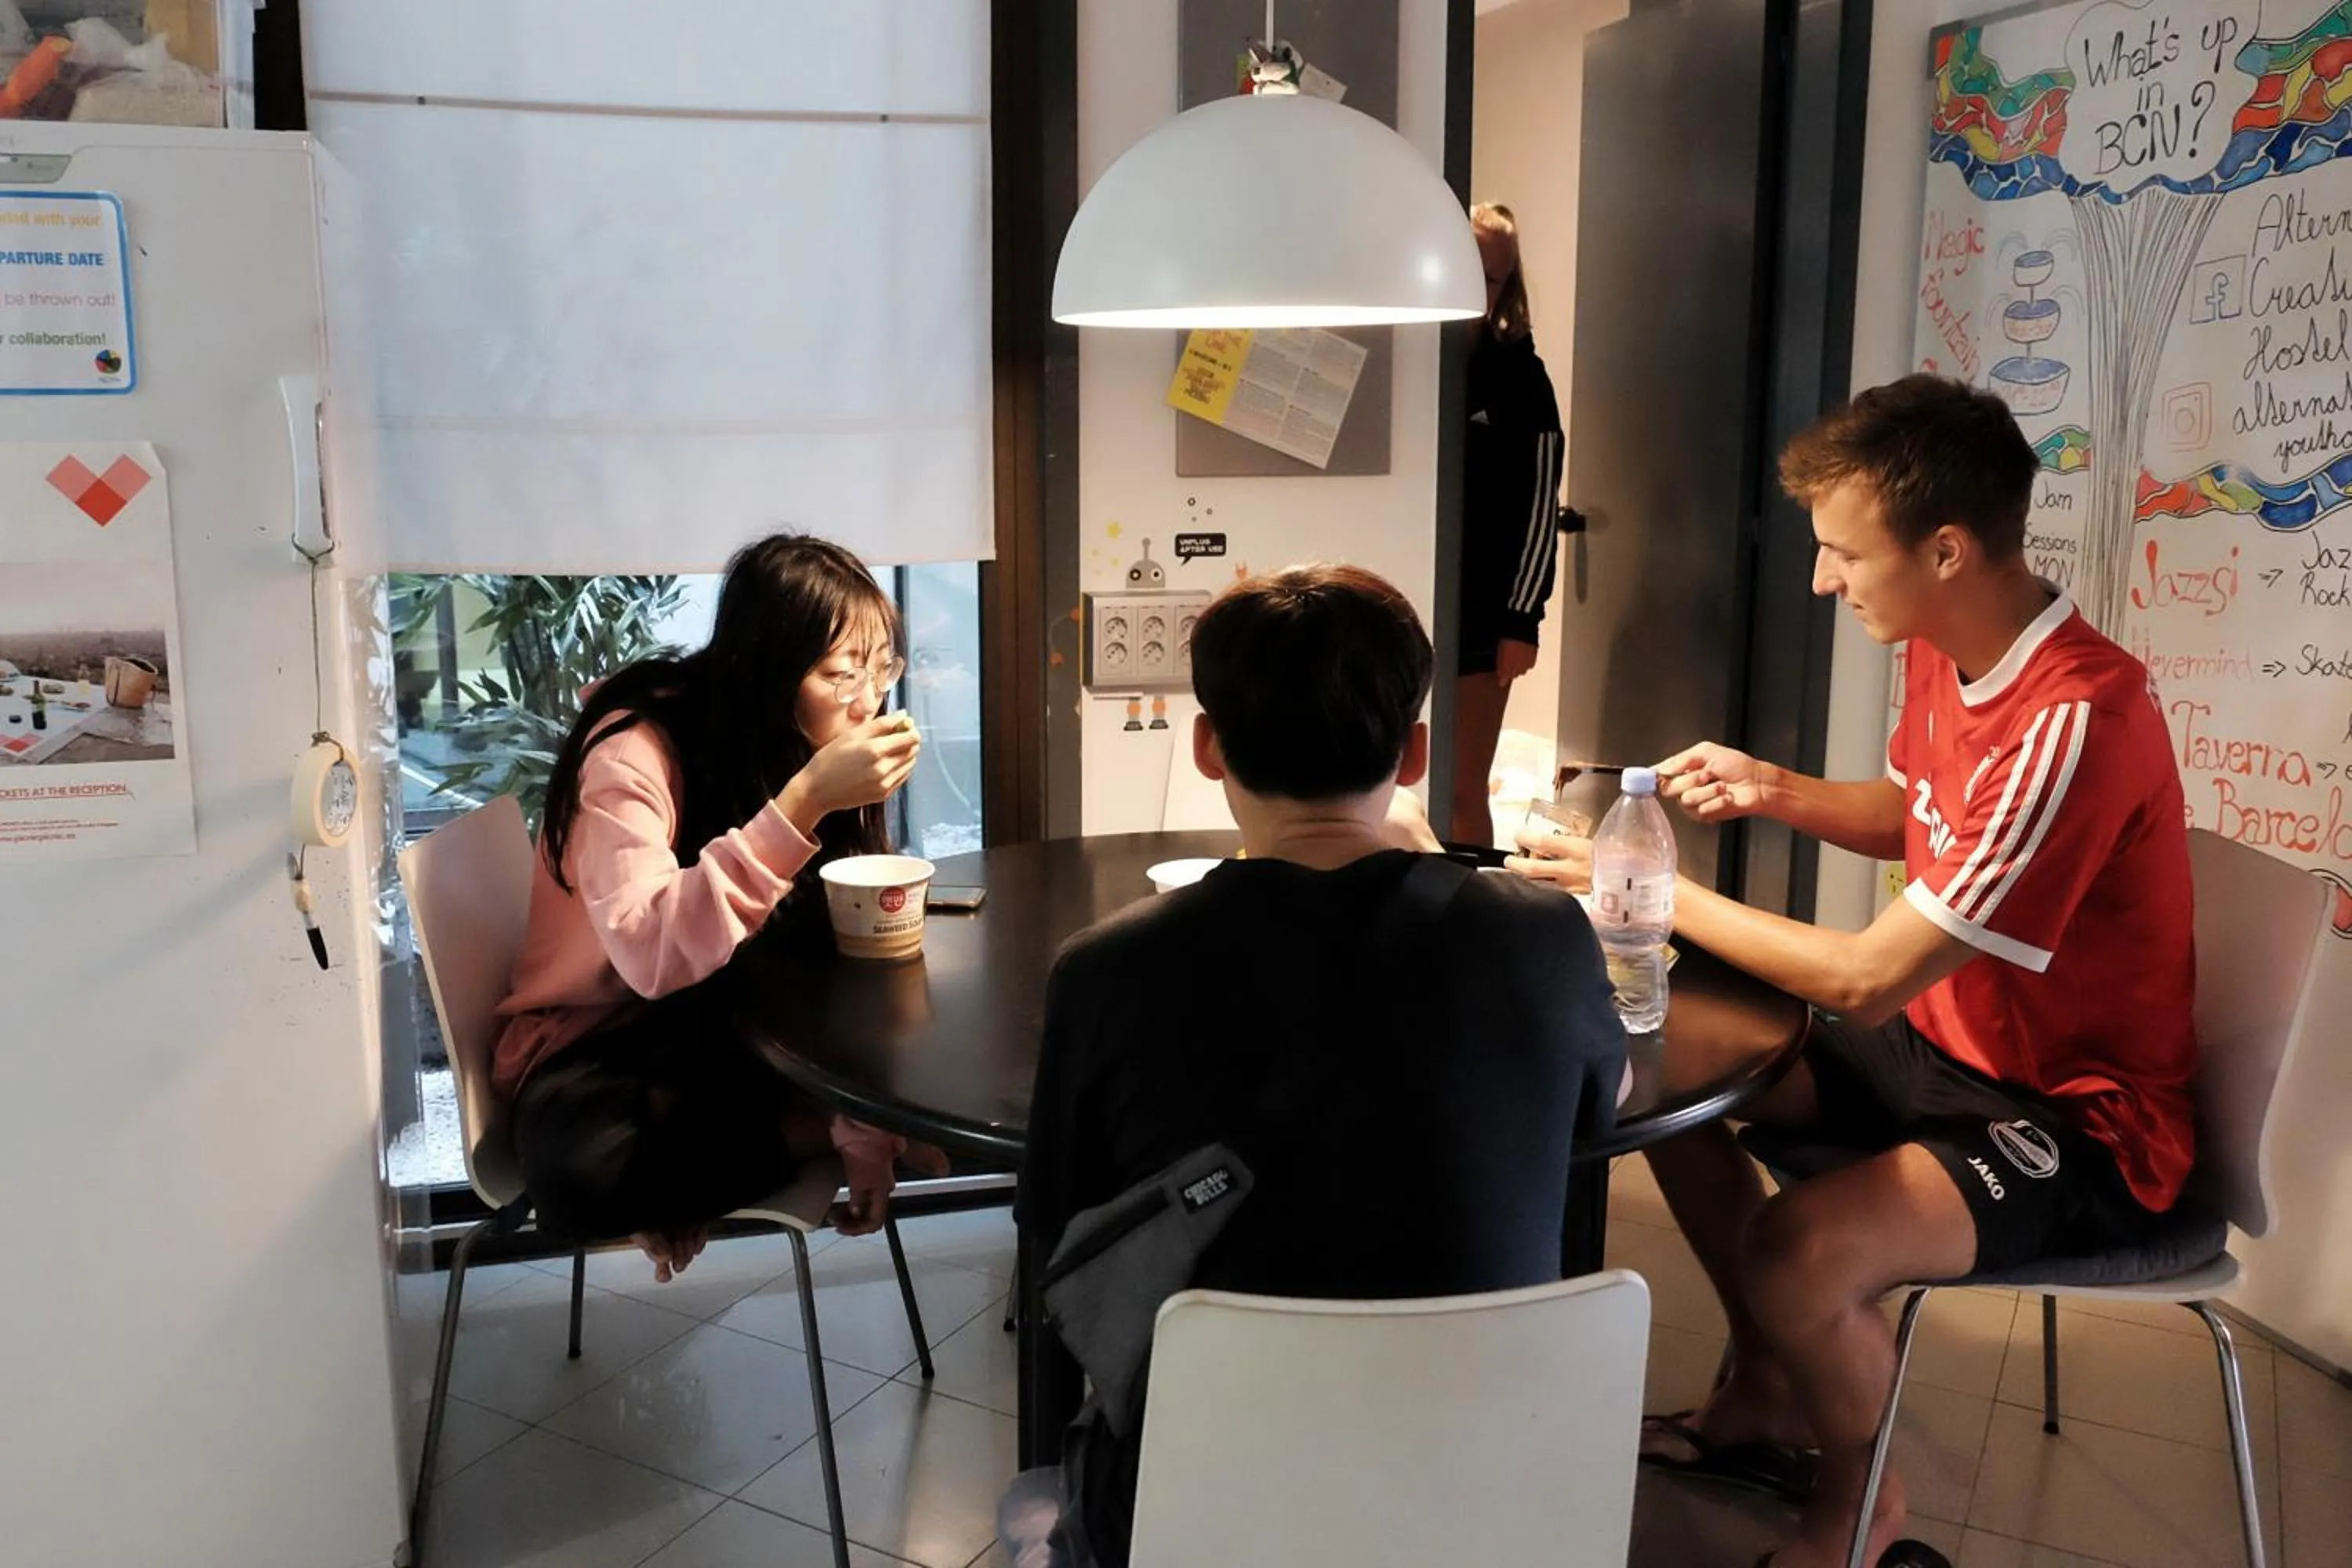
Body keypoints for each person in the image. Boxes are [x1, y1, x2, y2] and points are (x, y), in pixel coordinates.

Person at [1512, 376, 2198, 1568]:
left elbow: (1868, 977)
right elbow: (1927, 814)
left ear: (1944, 550)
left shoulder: (2078, 717)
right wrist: (1776, 788)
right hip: (1945, 1048)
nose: (1824, 580)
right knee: (1661, 1078)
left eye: (1843, 554)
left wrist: (1648, 894)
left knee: (1802, 1250)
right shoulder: (1947, 644)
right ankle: (1772, 1386)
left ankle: (1861, 1509)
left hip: (2082, 1122)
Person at [1005, 564, 1627, 1568]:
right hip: (1492, 1489)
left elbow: (1057, 1220)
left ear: (1207, 749)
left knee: (1047, 1505)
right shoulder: (1544, 933)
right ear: (1415, 753)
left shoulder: (1107, 968)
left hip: (1197, 1500)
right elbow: (1606, 1101)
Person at [492, 533, 942, 1283]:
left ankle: (735, 1162)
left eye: (881, 667)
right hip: (598, 1046)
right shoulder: (633, 750)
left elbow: (830, 966)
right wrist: (805, 802)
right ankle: (788, 1139)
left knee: (893, 1005)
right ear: (767, 674)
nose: (870, 700)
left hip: (730, 1028)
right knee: (583, 1171)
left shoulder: (796, 744)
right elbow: (650, 956)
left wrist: (865, 1141)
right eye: (843, 674)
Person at [1453, 201, 1566, 840]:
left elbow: (1539, 503)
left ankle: (1468, 927)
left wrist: (1522, 620)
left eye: (1491, 278)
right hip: (1398, 601)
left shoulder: (1521, 376)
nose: (1477, 289)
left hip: (1486, 617)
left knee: (1462, 789)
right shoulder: (1403, 362)